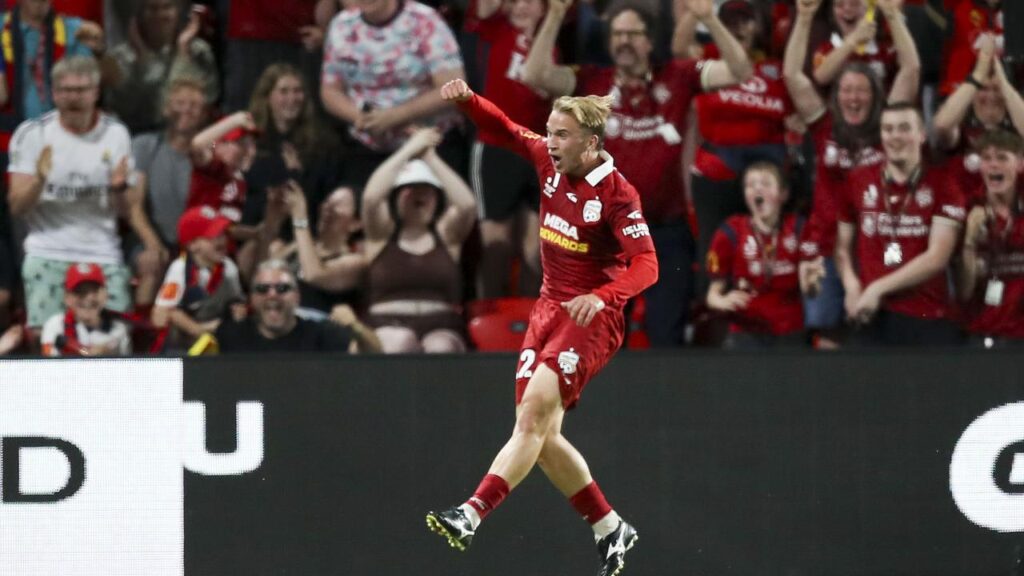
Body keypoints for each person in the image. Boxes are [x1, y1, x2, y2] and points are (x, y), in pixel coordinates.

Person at [427, 78, 658, 576]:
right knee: (541, 435)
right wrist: (468, 100)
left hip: (591, 318)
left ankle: (471, 513)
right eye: (550, 133)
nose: (550, 143)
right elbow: (506, 129)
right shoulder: (546, 163)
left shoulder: (618, 195)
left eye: (562, 136)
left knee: (531, 415)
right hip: (547, 310)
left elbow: (647, 266)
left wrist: (601, 297)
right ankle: (609, 527)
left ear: (591, 143)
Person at [520, 0, 752, 347]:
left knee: (665, 334)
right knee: (600, 339)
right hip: (604, 237)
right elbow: (534, 74)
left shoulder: (678, 75)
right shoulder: (592, 82)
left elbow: (740, 71)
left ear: (650, 40)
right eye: (617, 34)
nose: (624, 41)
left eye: (632, 34)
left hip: (664, 233)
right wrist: (554, 14)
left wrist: (708, 20)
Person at [783, 0, 919, 346]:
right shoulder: (822, 123)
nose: (854, 98)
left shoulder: (888, 129)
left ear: (875, 96)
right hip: (826, 246)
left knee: (876, 335)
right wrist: (804, 18)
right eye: (846, 91)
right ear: (836, 96)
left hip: (875, 246)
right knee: (827, 334)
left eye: (861, 91)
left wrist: (892, 15)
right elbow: (792, 76)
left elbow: (912, 69)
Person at [7, 55, 163, 343]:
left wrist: (118, 188)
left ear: (95, 92)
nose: (73, 98)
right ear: (54, 93)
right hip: (47, 250)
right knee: (47, 341)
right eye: (65, 90)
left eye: (81, 90)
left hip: (101, 250)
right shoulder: (33, 134)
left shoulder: (115, 134)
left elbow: (125, 210)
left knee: (115, 341)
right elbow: (16, 206)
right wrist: (39, 181)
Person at [675, 0, 795, 294]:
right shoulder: (709, 60)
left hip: (768, 166)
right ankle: (712, 305)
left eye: (746, 19)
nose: (739, 26)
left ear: (760, 26)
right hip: (719, 165)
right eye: (731, 20)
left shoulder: (775, 68)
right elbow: (679, 49)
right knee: (713, 246)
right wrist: (696, 13)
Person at [834, 102, 966, 346]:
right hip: (870, 314)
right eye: (888, 129)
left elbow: (937, 257)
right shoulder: (858, 179)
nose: (895, 136)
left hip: (925, 315)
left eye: (904, 128)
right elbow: (842, 246)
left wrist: (877, 288)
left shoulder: (944, 184)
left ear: (922, 135)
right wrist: (851, 285)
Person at [319, 0, 467, 187]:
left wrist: (394, 117)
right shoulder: (341, 26)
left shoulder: (425, 21)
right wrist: (362, 118)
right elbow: (330, 91)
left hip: (429, 144)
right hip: (368, 146)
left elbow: (454, 88)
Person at [361, 127, 476, 353]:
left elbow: (467, 205)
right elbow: (371, 198)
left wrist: (430, 157)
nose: (418, 195)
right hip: (386, 323)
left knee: (441, 347)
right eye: (409, 189)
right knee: (401, 342)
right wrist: (409, 149)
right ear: (395, 198)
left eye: (427, 190)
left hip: (441, 324)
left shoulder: (446, 235)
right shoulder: (381, 235)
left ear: (438, 198)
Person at [464, 0, 550, 297]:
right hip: (496, 146)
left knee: (536, 250)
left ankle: (527, 324)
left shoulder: (552, 39)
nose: (522, 6)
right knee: (495, 245)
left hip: (538, 151)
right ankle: (487, 323)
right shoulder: (496, 28)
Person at [705, 161, 807, 348]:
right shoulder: (731, 231)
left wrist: (813, 279)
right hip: (746, 332)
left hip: (790, 330)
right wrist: (722, 301)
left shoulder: (798, 228)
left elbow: (811, 283)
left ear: (783, 194)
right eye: (750, 185)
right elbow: (712, 295)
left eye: (766, 184)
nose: (758, 189)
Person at [0, 0, 107, 165]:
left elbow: (94, 85)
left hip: (62, 140)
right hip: (8, 140)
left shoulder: (74, 31)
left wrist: (100, 53)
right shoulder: (1, 28)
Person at [932, 33, 1024, 205]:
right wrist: (977, 76)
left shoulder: (1018, 126)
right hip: (960, 211)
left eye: (997, 89)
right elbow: (941, 125)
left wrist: (1003, 81)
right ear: (972, 92)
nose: (990, 96)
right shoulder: (961, 125)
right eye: (983, 89)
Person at [215, 259, 380, 353]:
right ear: (252, 298)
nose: (272, 294)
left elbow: (375, 356)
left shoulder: (321, 334)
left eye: (282, 288)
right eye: (262, 289)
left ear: (296, 297)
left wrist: (354, 326)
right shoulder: (231, 335)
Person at [104, 0, 218, 134]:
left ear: (178, 12)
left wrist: (182, 55)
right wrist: (143, 62)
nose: (160, 15)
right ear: (140, 15)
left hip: (188, 136)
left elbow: (207, 100)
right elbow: (122, 109)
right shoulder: (118, 57)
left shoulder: (199, 52)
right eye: (152, 9)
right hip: (136, 137)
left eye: (167, 7)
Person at [954, 130, 1024, 348]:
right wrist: (969, 242)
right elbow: (964, 291)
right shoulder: (966, 209)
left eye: (1002, 157)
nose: (993, 165)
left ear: (1020, 164)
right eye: (987, 159)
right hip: (978, 333)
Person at [151, 205, 245, 352]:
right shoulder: (180, 268)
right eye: (213, 236)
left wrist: (238, 310)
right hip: (184, 345)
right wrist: (198, 330)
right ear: (193, 245)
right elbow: (162, 312)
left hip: (218, 339)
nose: (221, 240)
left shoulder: (229, 268)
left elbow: (237, 300)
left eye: (222, 234)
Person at [40, 262, 131, 356]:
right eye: (80, 292)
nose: (88, 298)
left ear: (105, 295)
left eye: (94, 291)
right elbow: (49, 362)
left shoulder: (118, 329)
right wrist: (86, 353)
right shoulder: (55, 324)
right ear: (67, 298)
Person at [188, 110, 258, 231]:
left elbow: (230, 229)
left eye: (251, 143)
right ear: (219, 145)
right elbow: (197, 145)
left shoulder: (242, 180)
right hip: (199, 244)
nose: (250, 151)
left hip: (225, 245)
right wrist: (235, 121)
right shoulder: (212, 169)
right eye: (241, 143)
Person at [811, 0, 895, 89]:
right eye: (839, 5)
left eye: (855, 4)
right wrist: (854, 39)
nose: (847, 9)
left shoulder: (885, 45)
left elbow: (909, 70)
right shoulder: (827, 47)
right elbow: (821, 77)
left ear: (870, 10)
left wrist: (892, 14)